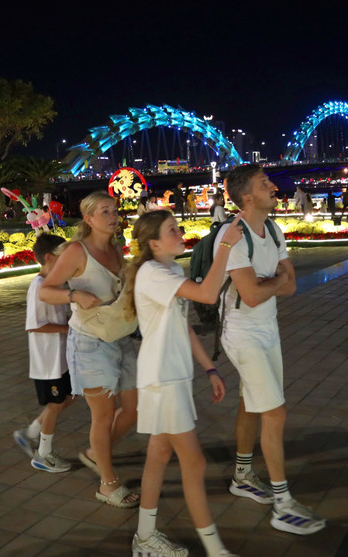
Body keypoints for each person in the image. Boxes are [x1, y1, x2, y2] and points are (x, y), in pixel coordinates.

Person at [214, 164, 326, 535]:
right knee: (274, 413)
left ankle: (243, 475)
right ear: (247, 197)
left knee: (252, 402)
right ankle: (282, 504)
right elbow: (249, 294)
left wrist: (271, 282)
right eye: (266, 184)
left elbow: (291, 286)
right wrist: (274, 282)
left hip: (267, 327)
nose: (275, 187)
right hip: (242, 332)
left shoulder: (273, 229)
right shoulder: (232, 236)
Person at [125, 210, 244, 557]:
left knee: (159, 456)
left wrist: (209, 368)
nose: (180, 233)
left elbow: (183, 325)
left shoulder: (171, 270)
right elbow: (208, 294)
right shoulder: (152, 272)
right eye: (172, 230)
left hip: (170, 375)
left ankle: (145, 538)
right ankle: (215, 550)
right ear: (154, 243)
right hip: (163, 378)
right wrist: (224, 246)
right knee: (195, 463)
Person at [39, 191, 140, 508]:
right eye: (105, 211)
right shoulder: (76, 251)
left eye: (115, 210)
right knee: (104, 414)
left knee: (135, 407)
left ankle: (97, 453)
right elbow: (45, 290)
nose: (113, 215)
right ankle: (107, 485)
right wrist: (74, 297)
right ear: (89, 218)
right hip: (90, 341)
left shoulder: (116, 246)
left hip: (120, 334)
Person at [13, 234, 75, 472]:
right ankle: (43, 453)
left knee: (69, 397)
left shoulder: (54, 284)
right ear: (49, 258)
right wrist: (68, 329)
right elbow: (34, 325)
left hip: (59, 358)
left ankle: (31, 432)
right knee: (56, 403)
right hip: (48, 361)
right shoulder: (39, 287)